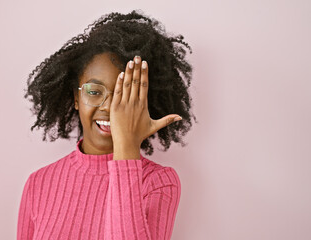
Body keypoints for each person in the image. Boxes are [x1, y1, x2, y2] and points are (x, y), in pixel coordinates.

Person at [17, 10, 196, 240]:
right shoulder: (38, 184)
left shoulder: (159, 183)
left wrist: (127, 149)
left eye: (124, 96)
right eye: (94, 91)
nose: (110, 108)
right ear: (75, 98)